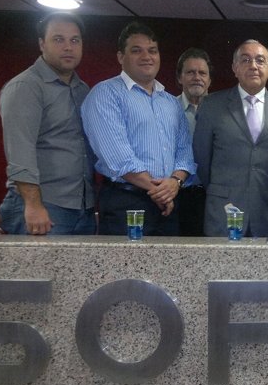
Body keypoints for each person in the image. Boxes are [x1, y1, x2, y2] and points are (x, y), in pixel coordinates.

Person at [82, 21, 195, 236]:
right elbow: (118, 157)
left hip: (169, 203)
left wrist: (175, 182)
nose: (147, 57)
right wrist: (159, 191)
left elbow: (185, 153)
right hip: (126, 202)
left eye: (152, 50)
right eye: (136, 51)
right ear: (120, 57)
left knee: (171, 259)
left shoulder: (171, 102)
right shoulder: (105, 94)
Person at [0, 12, 95, 235]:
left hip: (82, 206)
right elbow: (20, 151)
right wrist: (33, 205)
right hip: (43, 206)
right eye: (58, 39)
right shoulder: (26, 87)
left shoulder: (82, 89)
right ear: (42, 44)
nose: (68, 47)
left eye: (75, 40)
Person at [193, 40, 268, 237]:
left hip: (267, 211)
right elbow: (202, 159)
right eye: (245, 60)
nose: (253, 66)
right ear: (235, 68)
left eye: (260, 60)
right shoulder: (212, 105)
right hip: (223, 211)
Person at [175, 48, 212, 236]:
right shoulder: (167, 110)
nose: (197, 77)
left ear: (209, 80)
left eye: (202, 73)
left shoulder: (223, 113)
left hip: (213, 198)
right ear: (180, 78)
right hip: (176, 195)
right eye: (190, 72)